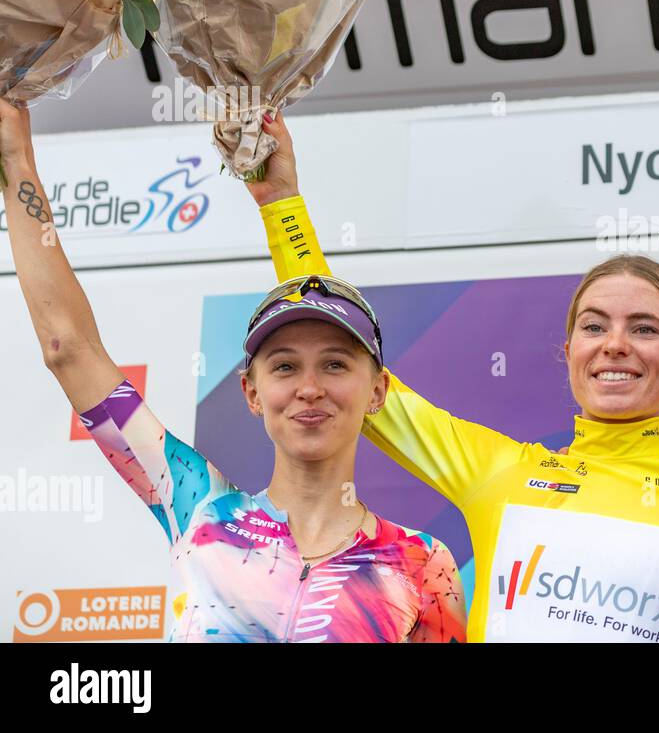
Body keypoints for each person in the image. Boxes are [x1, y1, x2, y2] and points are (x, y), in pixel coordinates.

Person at [240, 113, 659, 643]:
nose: (615, 344)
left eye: (644, 328)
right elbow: (350, 352)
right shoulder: (501, 472)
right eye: (595, 326)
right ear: (570, 352)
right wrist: (280, 205)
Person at [0, 99, 466, 643]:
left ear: (378, 391)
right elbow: (68, 348)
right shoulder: (197, 505)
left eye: (335, 364)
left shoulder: (422, 565)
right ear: (251, 391)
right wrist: (16, 160)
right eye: (285, 366)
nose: (309, 388)